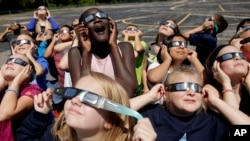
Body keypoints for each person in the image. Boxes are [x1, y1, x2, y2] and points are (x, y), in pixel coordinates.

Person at [16, 71, 156, 141]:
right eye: (73, 93)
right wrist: (39, 115)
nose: (75, 100)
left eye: (90, 98)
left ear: (109, 121)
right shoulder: (57, 135)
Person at [130, 65, 250, 141]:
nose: (191, 92)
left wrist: (216, 102)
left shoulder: (212, 121)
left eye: (197, 88)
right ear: (165, 94)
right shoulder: (149, 115)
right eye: (182, 86)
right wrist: (149, 96)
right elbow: (112, 113)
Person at [68, 8, 137, 97]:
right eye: (90, 18)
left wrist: (113, 45)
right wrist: (86, 52)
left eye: (102, 16)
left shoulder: (124, 48)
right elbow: (81, 94)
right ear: (82, 30)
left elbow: (129, 90)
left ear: (110, 24)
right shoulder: (76, 53)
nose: (97, 19)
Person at [0, 54, 42, 141]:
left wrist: (16, 83)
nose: (10, 62)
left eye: (18, 61)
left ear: (28, 71)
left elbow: (4, 115)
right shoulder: (2, 87)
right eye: (8, 61)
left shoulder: (33, 90)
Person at [205, 44, 250, 115]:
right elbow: (234, 119)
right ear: (215, 67)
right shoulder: (210, 92)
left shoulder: (247, 88)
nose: (237, 58)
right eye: (228, 56)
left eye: (241, 55)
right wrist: (226, 84)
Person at [142, 19, 180, 93]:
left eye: (171, 26)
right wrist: (145, 88)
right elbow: (144, 70)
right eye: (164, 23)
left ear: (174, 34)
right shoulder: (150, 48)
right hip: (150, 89)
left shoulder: (173, 50)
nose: (166, 25)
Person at [122, 24, 147, 95]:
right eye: (129, 29)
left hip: (137, 79)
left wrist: (137, 36)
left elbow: (138, 49)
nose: (132, 31)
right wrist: (126, 36)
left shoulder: (142, 43)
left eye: (135, 30)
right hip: (124, 78)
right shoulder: (121, 43)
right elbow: (123, 51)